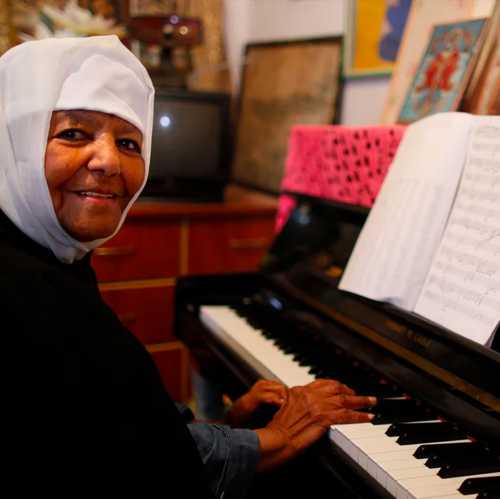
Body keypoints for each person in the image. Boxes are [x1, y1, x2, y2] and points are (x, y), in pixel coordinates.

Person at [0, 35, 376, 498]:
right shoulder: (18, 284)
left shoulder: (52, 259)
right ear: (11, 141)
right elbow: (136, 468)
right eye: (73, 134)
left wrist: (226, 424)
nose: (110, 162)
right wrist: (279, 437)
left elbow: (112, 424)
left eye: (128, 142)